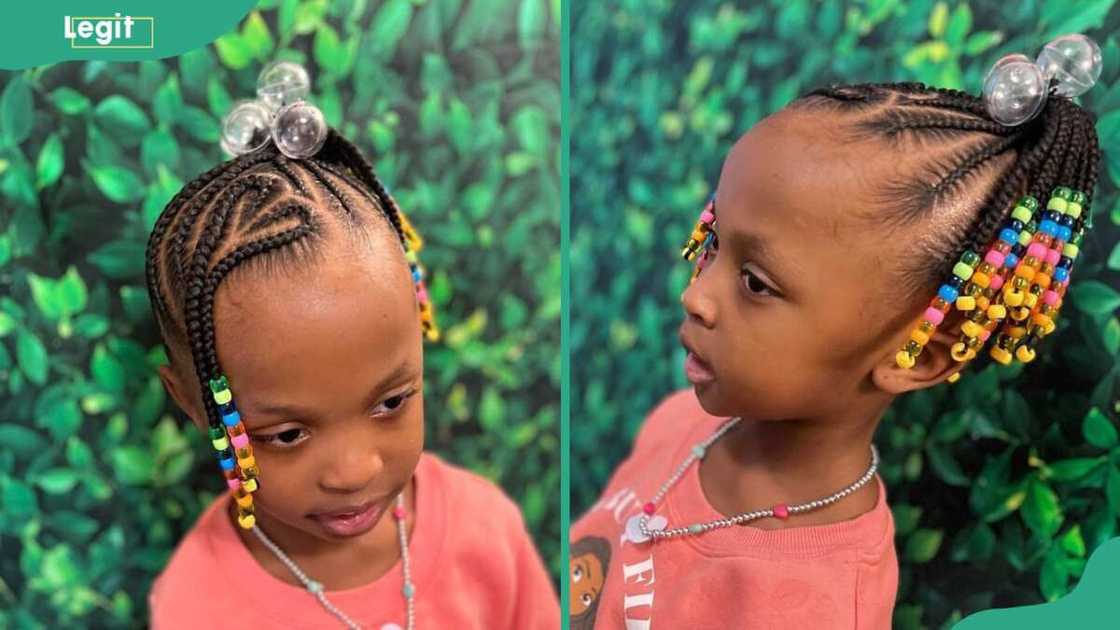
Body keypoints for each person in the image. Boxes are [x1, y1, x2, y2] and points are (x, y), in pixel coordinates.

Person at [570, 35, 1104, 629]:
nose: (694, 295)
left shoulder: (812, 608)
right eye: (713, 240)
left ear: (922, 352)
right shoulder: (683, 424)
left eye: (755, 283)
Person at [147, 62, 558, 629]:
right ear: (193, 402)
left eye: (391, 402)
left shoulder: (487, 535)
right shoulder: (196, 606)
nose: (354, 470)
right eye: (287, 435)